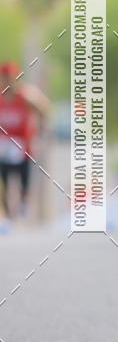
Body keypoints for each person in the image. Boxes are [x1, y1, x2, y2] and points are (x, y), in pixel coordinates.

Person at [0, 61, 49, 228]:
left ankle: (23, 208)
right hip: (4, 147)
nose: (7, 82)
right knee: (5, 180)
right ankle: (8, 216)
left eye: (10, 78)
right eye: (4, 78)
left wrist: (41, 128)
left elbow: (44, 108)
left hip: (23, 147)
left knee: (24, 181)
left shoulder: (25, 95)